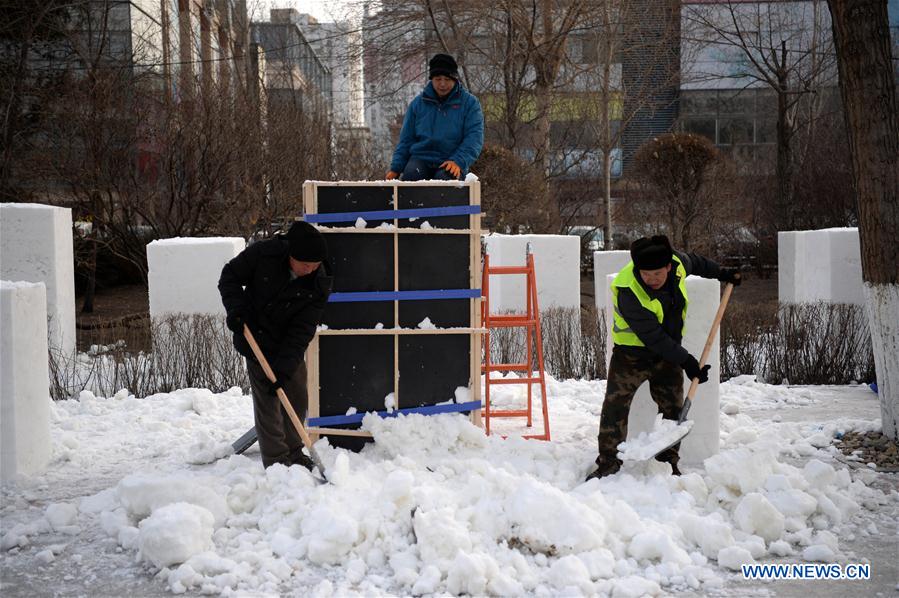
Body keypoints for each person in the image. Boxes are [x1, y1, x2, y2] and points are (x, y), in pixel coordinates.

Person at [588, 235, 742, 481]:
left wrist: (722, 273)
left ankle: (667, 463)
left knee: (673, 409)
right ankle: (608, 463)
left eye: (657, 273)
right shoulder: (628, 290)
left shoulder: (678, 263)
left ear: (669, 266)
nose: (651, 279)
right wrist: (688, 362)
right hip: (630, 356)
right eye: (645, 274)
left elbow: (697, 262)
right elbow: (654, 337)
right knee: (615, 407)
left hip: (667, 354)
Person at [218, 221, 332, 470]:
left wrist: (284, 368)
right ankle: (277, 462)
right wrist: (236, 310)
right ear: (291, 254)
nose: (310, 269)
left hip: (287, 340)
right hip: (255, 336)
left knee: (296, 394)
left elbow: (302, 330)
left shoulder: (319, 282)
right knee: (268, 402)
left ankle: (295, 452)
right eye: (305, 264)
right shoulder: (264, 254)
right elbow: (229, 277)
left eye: (315, 265)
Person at [386, 53, 484, 181]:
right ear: (432, 79)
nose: (442, 84)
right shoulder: (417, 104)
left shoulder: (470, 104)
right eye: (438, 79)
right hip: (420, 159)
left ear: (455, 79)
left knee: (444, 180)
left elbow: (474, 138)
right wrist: (396, 168)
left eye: (447, 79)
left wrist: (458, 161)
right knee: (411, 176)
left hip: (451, 159)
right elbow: (406, 139)